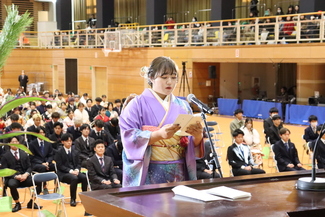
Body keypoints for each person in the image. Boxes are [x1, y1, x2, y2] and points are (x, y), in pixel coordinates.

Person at [120, 56, 204, 187]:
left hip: (179, 170)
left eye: (174, 77)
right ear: (152, 77)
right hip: (150, 170)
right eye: (164, 78)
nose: (170, 82)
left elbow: (189, 144)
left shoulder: (183, 106)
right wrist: (158, 135)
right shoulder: (136, 105)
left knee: (179, 206)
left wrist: (198, 136)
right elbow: (128, 138)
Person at [1, 136, 42, 212]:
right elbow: (4, 170)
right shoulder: (5, 156)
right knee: (12, 184)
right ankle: (17, 203)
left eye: (16, 141)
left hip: (24, 176)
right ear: (9, 144)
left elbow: (30, 167)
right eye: (13, 142)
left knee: (40, 181)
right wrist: (16, 176)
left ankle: (31, 202)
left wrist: (26, 174)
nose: (15, 143)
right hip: (13, 178)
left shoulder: (24, 154)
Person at [54, 133, 88, 207]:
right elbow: (59, 166)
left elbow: (79, 163)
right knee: (74, 178)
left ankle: (85, 197)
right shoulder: (58, 152)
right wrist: (71, 171)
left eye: (70, 141)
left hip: (74, 171)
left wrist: (77, 170)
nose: (69, 142)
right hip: (63, 173)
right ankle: (73, 199)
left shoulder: (75, 150)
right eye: (67, 141)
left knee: (84, 177)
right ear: (62, 142)